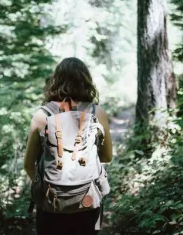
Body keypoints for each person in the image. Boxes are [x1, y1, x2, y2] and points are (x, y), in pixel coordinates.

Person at [24, 57, 113, 235]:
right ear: (86, 81)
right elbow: (107, 157)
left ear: (56, 80)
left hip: (51, 203)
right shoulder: (97, 112)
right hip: (87, 201)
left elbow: (28, 164)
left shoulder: (42, 115)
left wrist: (46, 186)